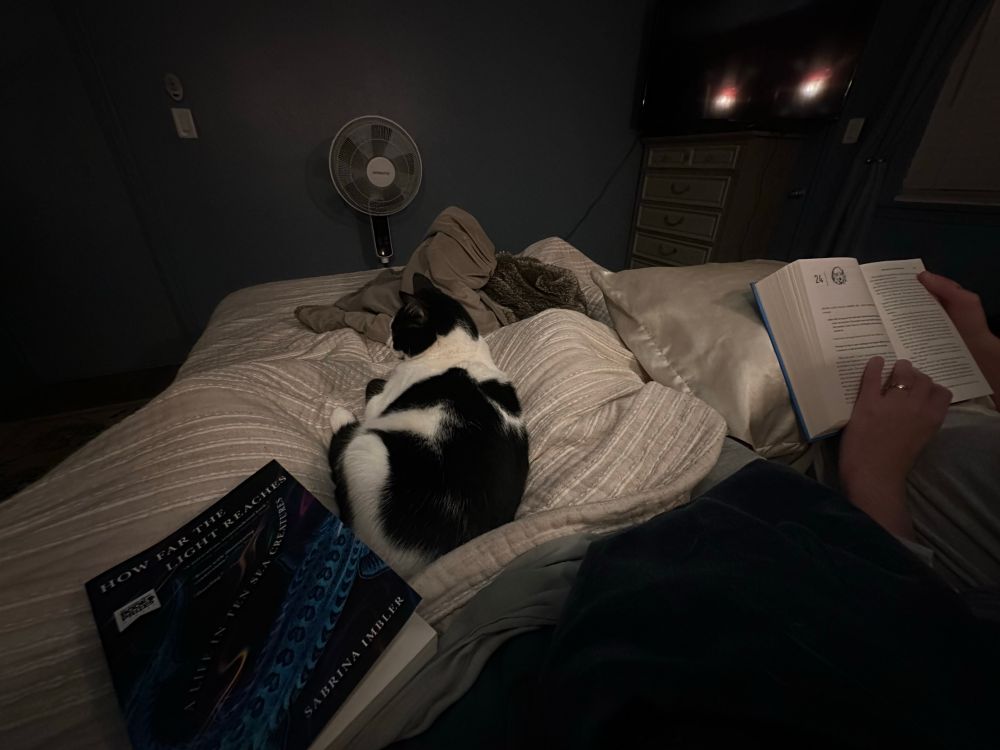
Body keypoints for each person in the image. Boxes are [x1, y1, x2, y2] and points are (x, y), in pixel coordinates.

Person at [390, 272, 1000, 750]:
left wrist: (875, 479)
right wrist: (987, 362)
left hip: (737, 546)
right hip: (755, 520)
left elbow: (932, 670)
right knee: (573, 341)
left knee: (574, 344)